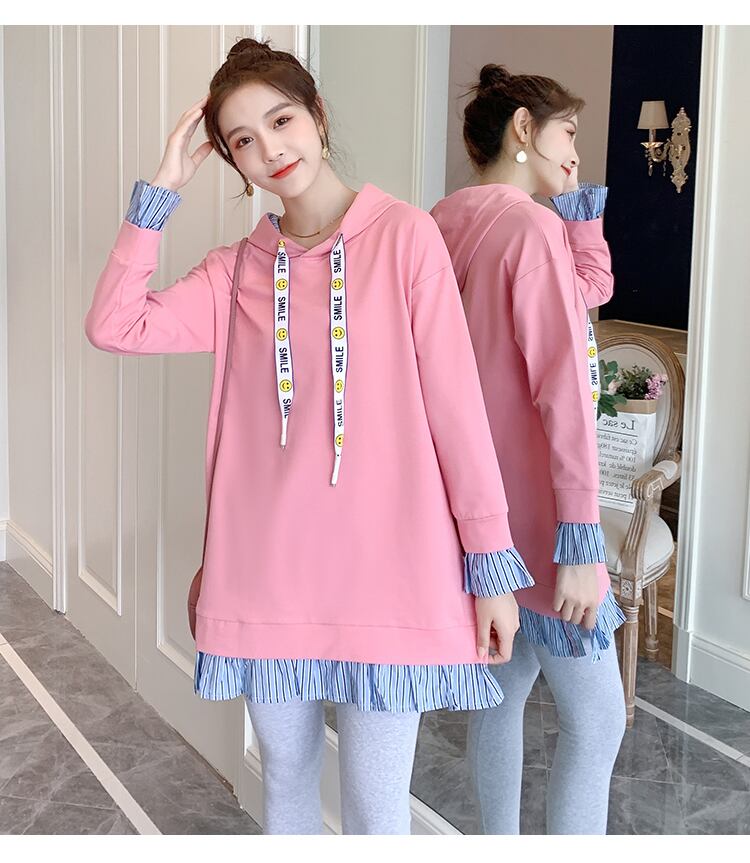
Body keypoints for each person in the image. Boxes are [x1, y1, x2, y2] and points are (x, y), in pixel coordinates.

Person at [84, 40, 535, 835]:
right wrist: (160, 192)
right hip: (268, 577)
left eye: (281, 120)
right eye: (242, 139)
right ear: (230, 159)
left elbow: (458, 412)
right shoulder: (235, 272)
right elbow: (115, 324)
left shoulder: (406, 238)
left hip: (394, 573)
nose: (269, 149)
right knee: (287, 782)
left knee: (375, 805)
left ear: (318, 115)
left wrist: (490, 565)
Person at [431, 64, 627, 835]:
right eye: (567, 131)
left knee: (503, 696)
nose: (576, 150)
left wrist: (575, 211)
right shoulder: (531, 231)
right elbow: (565, 394)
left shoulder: (439, 224)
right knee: (599, 720)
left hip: (481, 523)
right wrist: (580, 535)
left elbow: (588, 292)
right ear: (523, 128)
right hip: (546, 519)